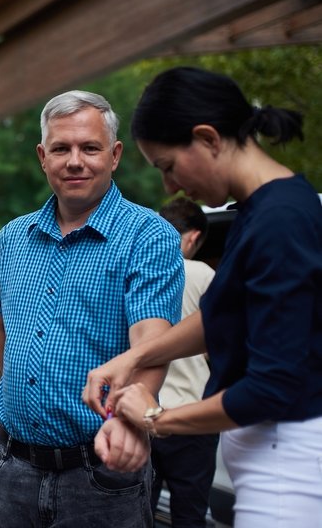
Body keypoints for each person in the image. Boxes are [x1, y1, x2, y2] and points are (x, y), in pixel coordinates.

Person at [83, 66, 322, 527]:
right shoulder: (260, 210)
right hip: (270, 460)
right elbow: (220, 315)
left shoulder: (281, 221)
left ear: (208, 138)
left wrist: (157, 418)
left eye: (168, 167)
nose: (169, 187)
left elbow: (272, 387)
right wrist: (134, 358)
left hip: (286, 468)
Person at [0, 90, 184, 528]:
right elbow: (3, 326)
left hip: (101, 473)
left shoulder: (148, 235)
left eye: (89, 148)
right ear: (42, 156)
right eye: (61, 148)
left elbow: (151, 342)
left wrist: (133, 417)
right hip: (12, 466)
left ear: (114, 155)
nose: (75, 161)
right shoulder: (12, 238)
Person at [152, 198, 217, 527]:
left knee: (139, 510)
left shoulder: (142, 269)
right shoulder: (203, 273)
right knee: (189, 514)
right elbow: (220, 341)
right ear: (192, 237)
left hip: (144, 413)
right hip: (192, 417)